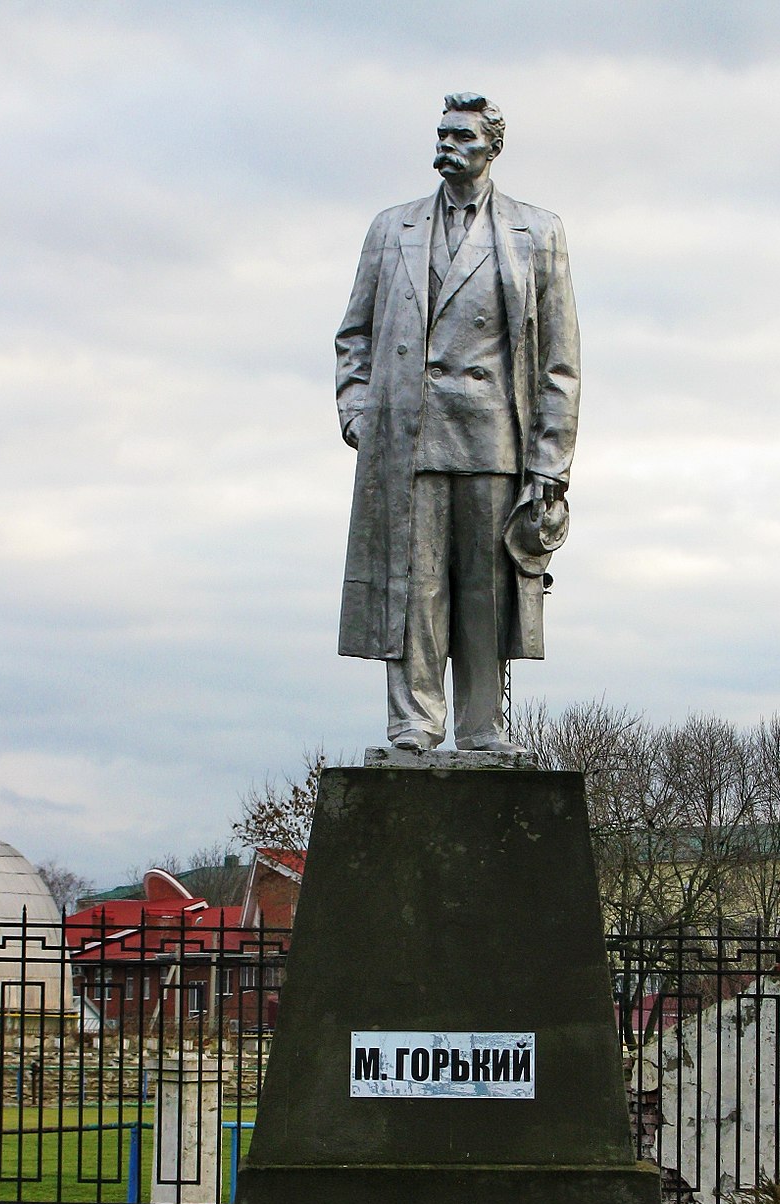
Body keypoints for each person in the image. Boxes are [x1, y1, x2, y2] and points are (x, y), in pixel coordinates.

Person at [335, 91, 581, 753]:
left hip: (494, 435)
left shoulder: (537, 232)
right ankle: (412, 724)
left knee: (484, 591)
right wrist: (358, 409)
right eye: (442, 135)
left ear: (492, 147)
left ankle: (481, 726)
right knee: (413, 586)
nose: (447, 146)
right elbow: (354, 333)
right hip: (406, 436)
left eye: (463, 137)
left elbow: (559, 361)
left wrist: (550, 465)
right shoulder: (391, 229)